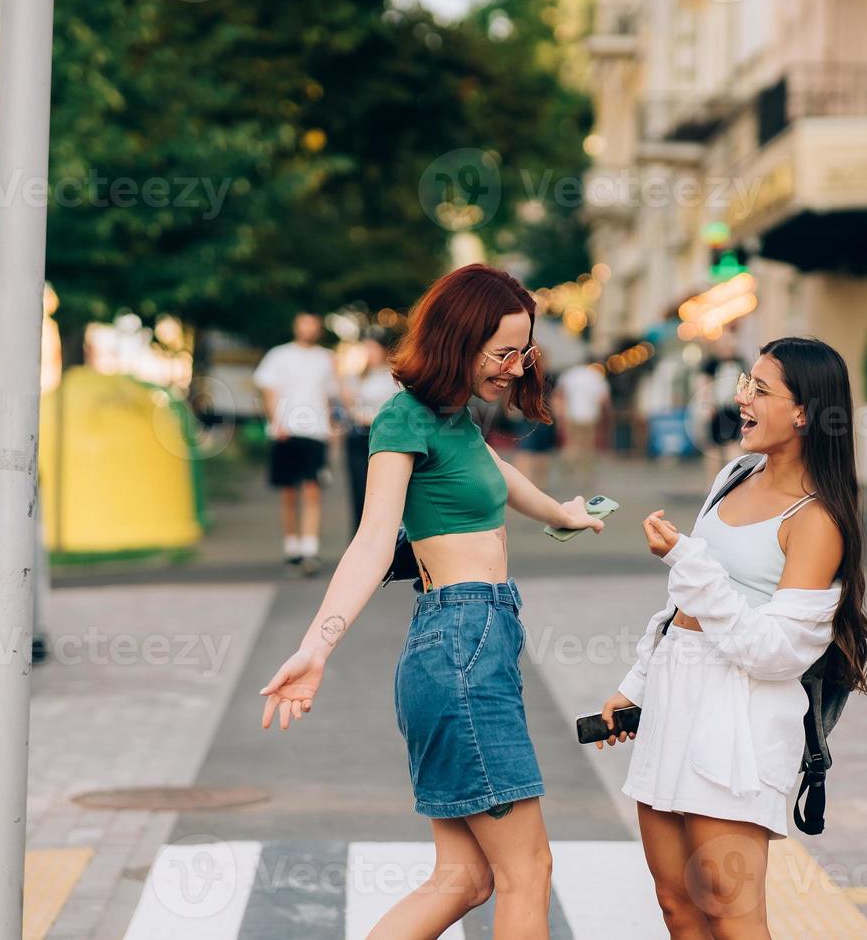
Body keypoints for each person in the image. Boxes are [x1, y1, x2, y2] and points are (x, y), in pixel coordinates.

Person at [259, 264, 605, 940]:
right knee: (525, 871)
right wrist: (317, 645)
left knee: (465, 878)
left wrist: (559, 515)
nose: (514, 367)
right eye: (503, 352)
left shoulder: (453, 419)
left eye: (523, 353)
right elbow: (369, 542)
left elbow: (494, 475)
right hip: (461, 648)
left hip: (470, 645)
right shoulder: (403, 417)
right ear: (458, 338)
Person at [597, 337, 867, 940]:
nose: (740, 397)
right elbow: (679, 612)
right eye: (745, 383)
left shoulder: (817, 519)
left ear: (804, 412)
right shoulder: (733, 475)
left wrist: (686, 562)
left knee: (730, 908)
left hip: (740, 721)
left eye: (760, 389)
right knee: (677, 904)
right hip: (675, 698)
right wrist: (635, 685)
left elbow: (777, 653)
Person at [253, 312, 339, 576]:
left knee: (313, 490)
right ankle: (292, 548)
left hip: (315, 432)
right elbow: (268, 390)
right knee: (289, 493)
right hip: (287, 430)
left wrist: (332, 429)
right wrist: (275, 421)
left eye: (312, 324)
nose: (308, 329)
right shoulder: (279, 355)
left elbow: (329, 395)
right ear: (296, 326)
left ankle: (310, 549)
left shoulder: (326, 358)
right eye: (304, 323)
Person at [340, 330, 401, 531]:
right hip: (359, 435)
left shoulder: (395, 376)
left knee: (385, 490)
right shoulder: (358, 377)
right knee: (360, 489)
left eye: (373, 348)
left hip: (385, 436)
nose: (370, 353)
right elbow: (349, 407)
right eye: (367, 348)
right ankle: (359, 535)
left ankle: (387, 536)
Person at [699, 334, 748, 485]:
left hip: (732, 409)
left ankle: (733, 481)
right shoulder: (711, 364)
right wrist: (707, 405)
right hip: (716, 409)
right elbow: (704, 386)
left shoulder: (740, 362)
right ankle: (712, 482)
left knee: (732, 445)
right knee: (713, 448)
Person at [553, 360, 610, 488]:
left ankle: (566, 467)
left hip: (572, 415)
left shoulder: (570, 374)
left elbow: (560, 395)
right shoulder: (596, 376)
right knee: (587, 447)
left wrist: (561, 416)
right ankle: (585, 476)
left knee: (572, 443)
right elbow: (603, 400)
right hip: (589, 417)